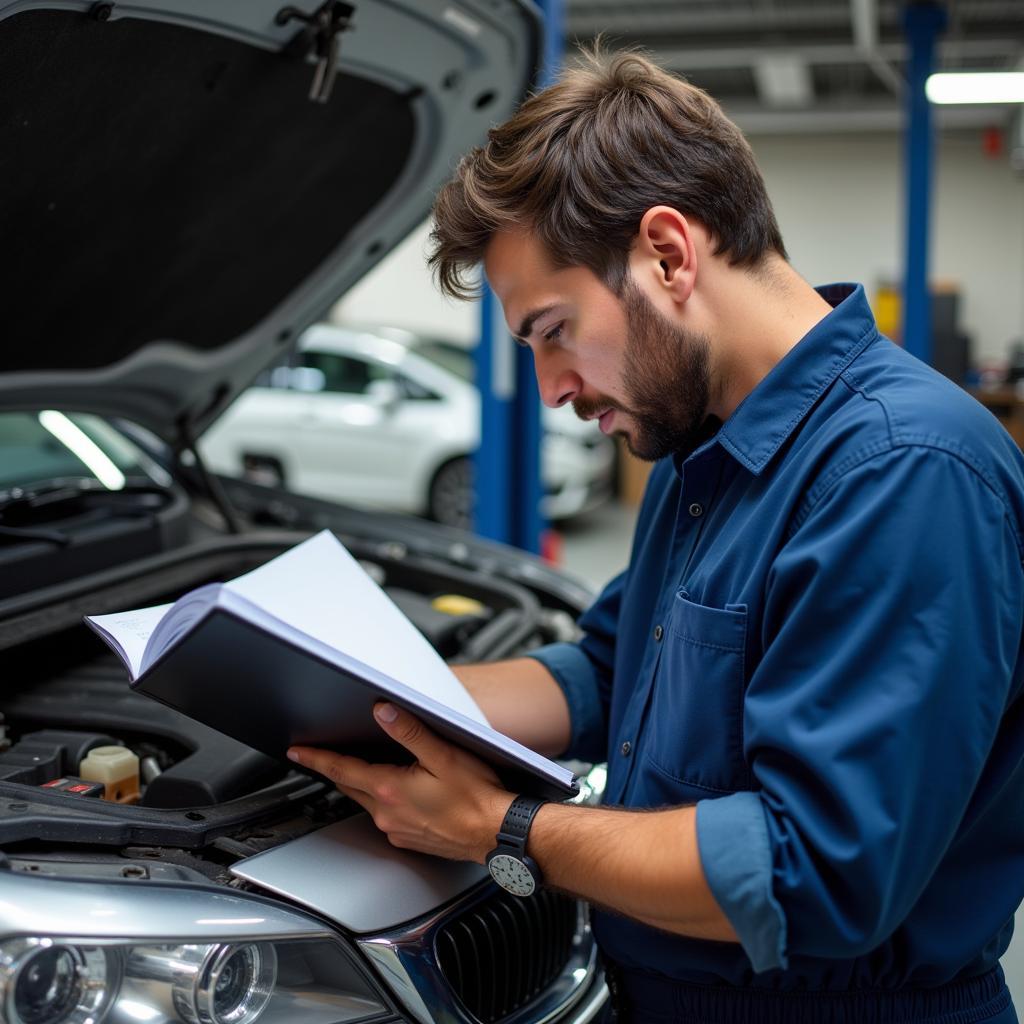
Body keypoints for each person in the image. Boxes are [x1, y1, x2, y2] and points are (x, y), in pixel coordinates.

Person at [288, 49, 1024, 1023]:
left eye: (552, 329)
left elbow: (810, 871)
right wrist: (378, 700)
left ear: (668, 254)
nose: (551, 387)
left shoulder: (904, 471)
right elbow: (611, 669)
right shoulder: (697, 448)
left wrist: (500, 826)